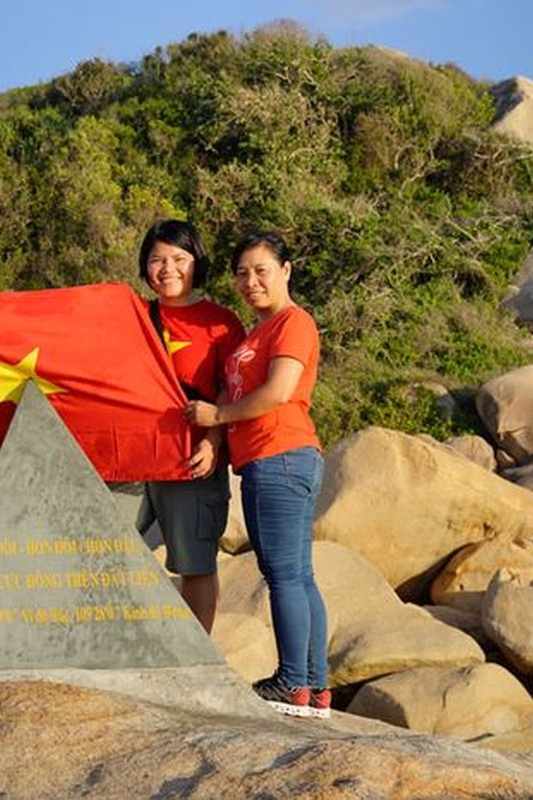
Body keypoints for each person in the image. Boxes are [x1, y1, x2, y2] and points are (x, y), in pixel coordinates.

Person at [185, 232, 329, 718]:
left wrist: (216, 419)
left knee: (285, 575)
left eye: (262, 270)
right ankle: (314, 688)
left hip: (280, 454)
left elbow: (279, 391)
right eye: (242, 273)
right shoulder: (256, 333)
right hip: (274, 458)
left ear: (286, 270)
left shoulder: (294, 323)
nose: (251, 281)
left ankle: (292, 682)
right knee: (300, 575)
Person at [130, 220, 245, 633]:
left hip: (192, 456)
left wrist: (214, 442)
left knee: (194, 561)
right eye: (157, 259)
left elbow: (231, 389)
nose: (168, 268)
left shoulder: (221, 322)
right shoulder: (131, 315)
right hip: (130, 455)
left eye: (179, 259)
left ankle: (199, 662)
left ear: (198, 263)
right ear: (144, 266)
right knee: (101, 545)